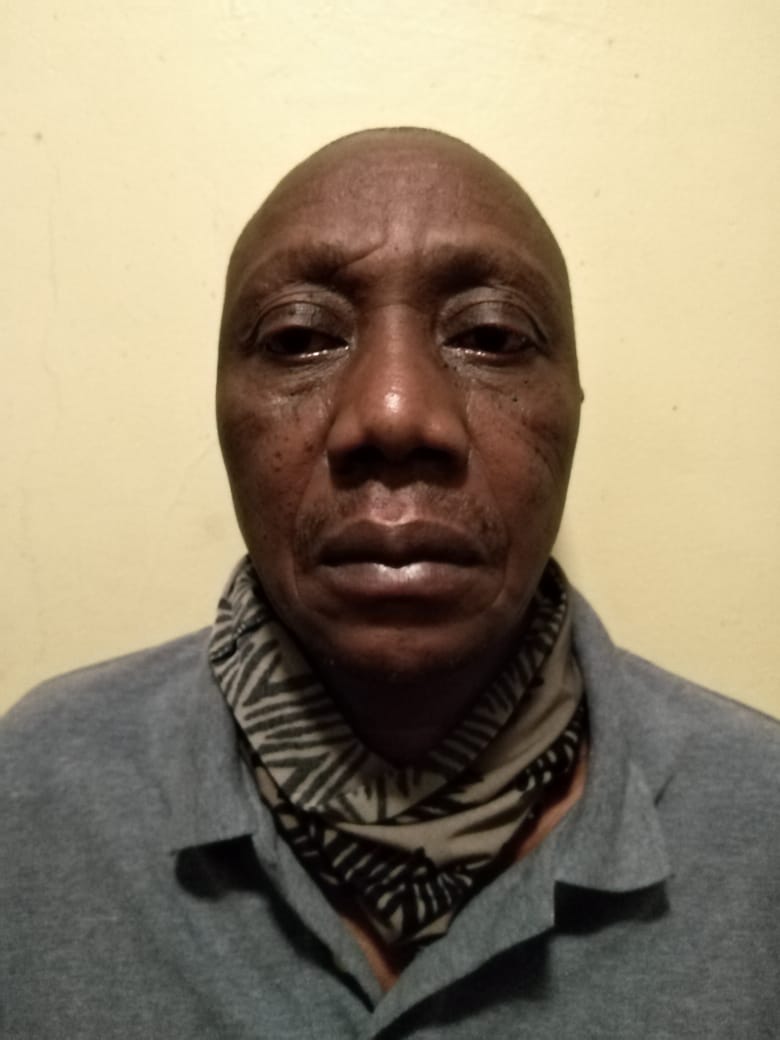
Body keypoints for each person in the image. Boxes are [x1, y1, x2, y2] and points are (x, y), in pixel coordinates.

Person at [1, 128, 777, 1039]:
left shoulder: (761, 823)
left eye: (490, 336)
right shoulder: (30, 802)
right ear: (220, 408)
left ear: (572, 404)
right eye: (300, 337)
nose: (396, 413)